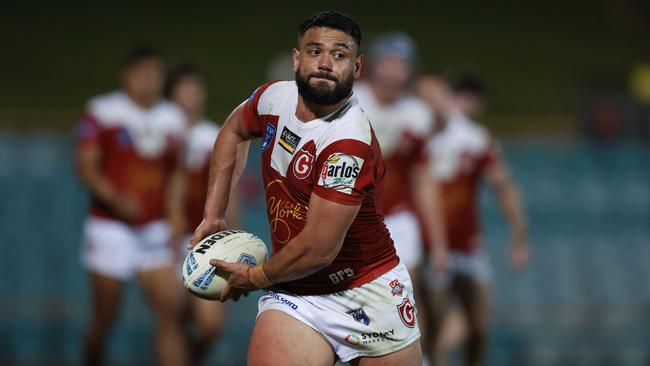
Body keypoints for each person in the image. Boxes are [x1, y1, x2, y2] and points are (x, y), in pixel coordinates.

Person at [188, 11, 422, 366]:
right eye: (315, 51)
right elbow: (234, 131)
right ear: (296, 58)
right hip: (296, 290)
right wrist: (214, 214)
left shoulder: (347, 142)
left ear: (357, 68)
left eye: (340, 55)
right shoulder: (273, 99)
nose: (326, 63)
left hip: (366, 292)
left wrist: (254, 278)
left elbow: (318, 249)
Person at [75, 46, 189, 366]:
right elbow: (86, 165)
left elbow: (177, 172)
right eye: (143, 73)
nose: (150, 80)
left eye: (155, 74)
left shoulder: (171, 118)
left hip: (154, 228)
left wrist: (176, 213)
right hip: (111, 227)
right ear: (127, 75)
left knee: (170, 314)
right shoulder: (103, 111)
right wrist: (113, 197)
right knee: (104, 318)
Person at [415, 74, 530, 366]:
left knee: (478, 326)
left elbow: (504, 187)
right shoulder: (417, 132)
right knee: (432, 327)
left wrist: (519, 237)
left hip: (466, 244)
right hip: (427, 245)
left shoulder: (475, 138)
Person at [353, 32, 447, 361]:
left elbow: (424, 182)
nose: (394, 71)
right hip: (352, 215)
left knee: (407, 290)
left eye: (401, 65)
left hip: (397, 216)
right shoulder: (351, 101)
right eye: (388, 63)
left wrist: (439, 243)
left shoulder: (417, 115)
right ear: (372, 66)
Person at [164, 63, 244, 364]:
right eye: (184, 87)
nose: (192, 94)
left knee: (211, 325)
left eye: (196, 87)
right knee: (172, 318)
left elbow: (228, 189)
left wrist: (234, 235)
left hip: (203, 238)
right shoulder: (161, 131)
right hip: (166, 236)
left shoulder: (214, 135)